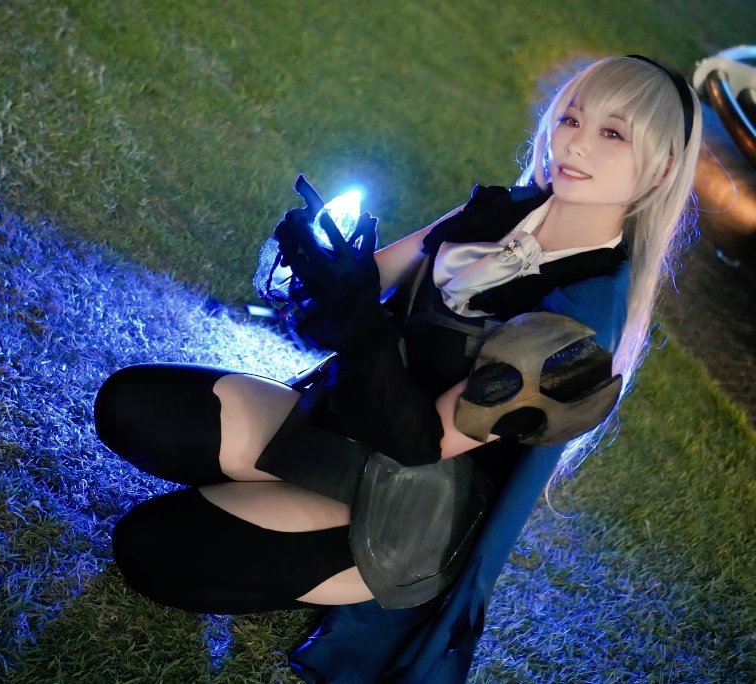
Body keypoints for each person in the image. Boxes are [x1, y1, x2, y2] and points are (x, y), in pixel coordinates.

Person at [93, 55, 701, 626]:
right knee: (131, 406)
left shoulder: (584, 318)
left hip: (408, 503)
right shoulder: (497, 211)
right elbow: (354, 294)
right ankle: (269, 497)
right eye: (571, 118)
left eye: (612, 134)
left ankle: (310, 543)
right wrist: (318, 273)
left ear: (663, 167)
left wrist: (357, 310)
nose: (576, 143)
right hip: (337, 423)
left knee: (151, 546)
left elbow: (421, 442)